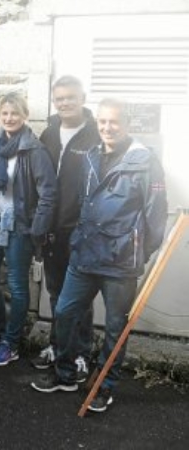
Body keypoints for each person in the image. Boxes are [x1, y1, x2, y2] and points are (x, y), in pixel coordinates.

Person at [31, 98, 168, 413]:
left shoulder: (145, 161)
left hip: (120, 264)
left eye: (114, 122)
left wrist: (139, 251)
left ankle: (105, 385)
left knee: (115, 329)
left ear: (127, 124)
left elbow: (156, 216)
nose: (107, 127)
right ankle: (66, 374)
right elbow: (84, 202)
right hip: (85, 255)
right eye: (103, 122)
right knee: (64, 312)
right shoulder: (92, 156)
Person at [0, 93, 56, 366]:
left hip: (20, 226)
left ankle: (12, 342)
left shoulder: (35, 150)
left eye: (15, 113)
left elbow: (48, 195)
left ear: (25, 115)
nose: (9, 118)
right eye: (5, 113)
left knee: (18, 287)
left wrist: (35, 231)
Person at [30, 76, 100, 379]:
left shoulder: (97, 135)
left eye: (71, 97)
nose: (65, 103)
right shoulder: (48, 133)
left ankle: (82, 353)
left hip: (82, 233)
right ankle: (59, 347)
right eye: (59, 98)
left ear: (83, 97)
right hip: (52, 231)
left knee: (80, 299)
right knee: (58, 294)